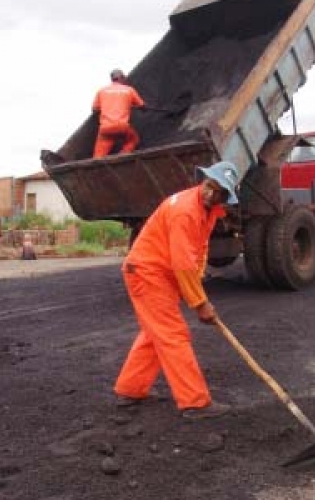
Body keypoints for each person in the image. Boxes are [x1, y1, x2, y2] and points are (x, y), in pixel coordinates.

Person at [114, 160, 241, 420]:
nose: (210, 193)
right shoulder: (185, 210)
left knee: (155, 333)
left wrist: (195, 285)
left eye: (218, 192)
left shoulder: (207, 211)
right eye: (208, 186)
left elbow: (198, 251)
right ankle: (195, 402)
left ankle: (130, 389)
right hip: (147, 273)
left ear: (225, 197)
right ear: (202, 181)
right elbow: (182, 262)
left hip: (159, 273)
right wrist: (200, 303)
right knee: (173, 334)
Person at [92, 69, 145, 158]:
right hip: (122, 127)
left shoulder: (101, 91)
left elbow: (94, 109)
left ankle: (96, 165)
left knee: (98, 157)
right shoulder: (129, 90)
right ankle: (123, 154)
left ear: (112, 79)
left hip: (106, 129)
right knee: (133, 139)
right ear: (122, 78)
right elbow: (142, 106)